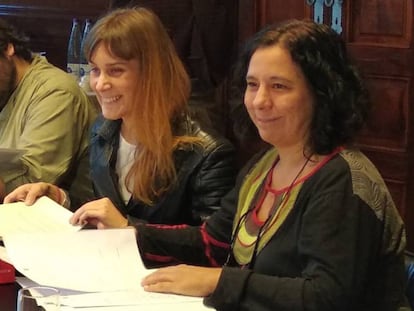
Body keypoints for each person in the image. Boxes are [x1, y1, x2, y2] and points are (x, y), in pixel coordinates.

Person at [5, 7, 237, 226]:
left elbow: (213, 249)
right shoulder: (103, 130)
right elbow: (99, 208)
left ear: (152, 73)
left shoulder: (208, 154)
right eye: (95, 70)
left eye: (116, 71)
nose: (100, 84)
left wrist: (129, 228)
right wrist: (58, 197)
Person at [0, 18, 96, 207]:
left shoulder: (55, 92)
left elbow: (28, 186)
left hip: (73, 224)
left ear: (7, 49)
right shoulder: (5, 86)